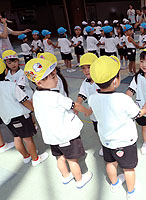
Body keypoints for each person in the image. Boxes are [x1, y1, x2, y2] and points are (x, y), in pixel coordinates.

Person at [24, 58, 93, 189]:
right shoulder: (57, 97)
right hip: (65, 135)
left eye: (55, 75)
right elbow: (75, 106)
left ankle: (66, 176)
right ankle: (80, 180)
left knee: (59, 157)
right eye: (53, 77)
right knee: (73, 160)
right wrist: (87, 111)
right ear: (39, 82)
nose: (56, 79)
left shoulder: (37, 95)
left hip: (52, 137)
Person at [88, 55, 146, 200]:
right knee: (128, 168)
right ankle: (131, 192)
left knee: (110, 163)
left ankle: (114, 184)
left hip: (107, 140)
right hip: (125, 141)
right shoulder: (123, 99)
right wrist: (144, 109)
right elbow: (136, 114)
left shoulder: (92, 98)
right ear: (116, 80)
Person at [0, 57, 48, 166]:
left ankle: (26, 156)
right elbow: (23, 101)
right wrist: (33, 109)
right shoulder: (11, 86)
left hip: (7, 118)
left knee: (17, 137)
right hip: (20, 116)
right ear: (5, 70)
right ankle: (35, 159)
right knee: (28, 139)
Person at [76, 53, 103, 156]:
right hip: (94, 116)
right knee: (98, 131)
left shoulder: (101, 80)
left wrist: (92, 108)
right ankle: (104, 145)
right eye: (83, 68)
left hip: (104, 114)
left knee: (107, 130)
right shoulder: (85, 82)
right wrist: (77, 105)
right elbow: (81, 94)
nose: (86, 70)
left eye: (89, 67)